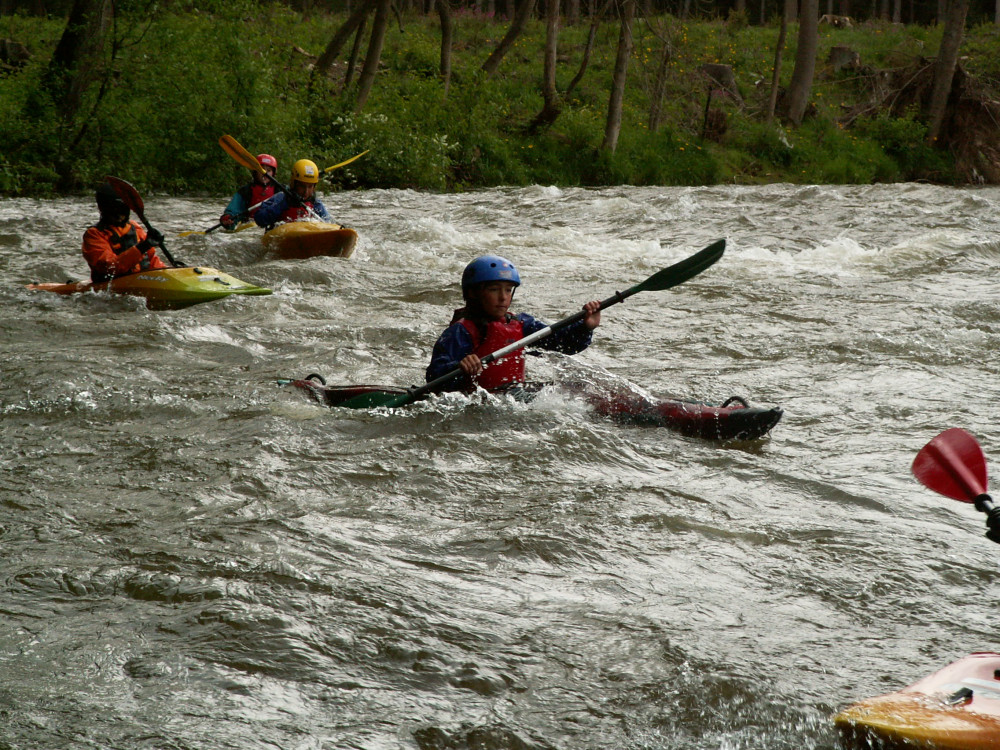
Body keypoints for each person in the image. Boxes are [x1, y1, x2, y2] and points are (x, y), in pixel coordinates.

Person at [426, 255, 601, 393]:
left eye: (508, 290)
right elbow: (434, 376)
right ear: (472, 293)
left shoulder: (522, 325)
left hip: (515, 396)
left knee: (582, 391)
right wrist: (459, 367)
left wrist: (585, 327)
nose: (503, 297)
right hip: (482, 401)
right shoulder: (461, 332)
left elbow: (563, 344)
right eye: (494, 290)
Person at [82, 181, 168, 284]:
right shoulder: (94, 235)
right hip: (111, 285)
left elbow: (153, 262)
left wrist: (171, 273)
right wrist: (142, 247)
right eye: (115, 211)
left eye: (123, 211)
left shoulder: (135, 228)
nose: (120, 217)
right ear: (104, 209)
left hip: (141, 282)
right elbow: (110, 268)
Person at [253, 159, 332, 229]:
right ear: (294, 184)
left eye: (310, 186)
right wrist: (284, 204)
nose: (306, 191)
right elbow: (259, 219)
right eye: (302, 186)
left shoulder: (315, 203)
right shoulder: (281, 198)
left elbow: (329, 223)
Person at [220, 153, 277, 229]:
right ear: (255, 172)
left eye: (269, 170)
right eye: (261, 170)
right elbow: (234, 210)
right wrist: (228, 218)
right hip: (251, 225)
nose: (265, 174)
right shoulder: (246, 191)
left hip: (274, 225)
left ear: (273, 173)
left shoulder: (280, 189)